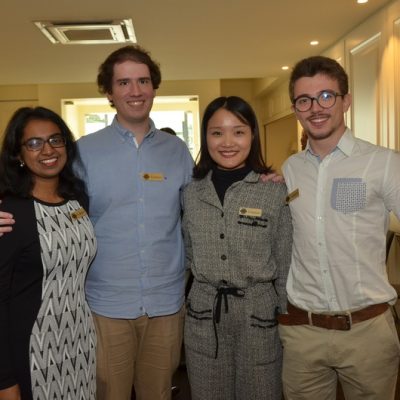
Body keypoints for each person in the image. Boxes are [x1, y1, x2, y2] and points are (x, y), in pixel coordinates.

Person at [278, 55, 400, 399]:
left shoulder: (383, 163)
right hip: (302, 333)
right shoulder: (290, 170)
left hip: (367, 332)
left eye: (326, 96)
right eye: (304, 100)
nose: (315, 108)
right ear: (296, 109)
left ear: (346, 101)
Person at [182, 96, 293, 400]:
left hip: (259, 314)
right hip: (204, 314)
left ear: (253, 135)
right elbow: (187, 253)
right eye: (217, 132)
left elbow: (284, 261)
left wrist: (286, 319)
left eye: (239, 132)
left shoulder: (273, 190)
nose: (227, 142)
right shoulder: (190, 192)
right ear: (205, 137)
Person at [0, 107, 97, 400]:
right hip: (33, 347)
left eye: (55, 139)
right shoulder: (9, 212)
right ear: (18, 154)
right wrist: (5, 381)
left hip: (81, 340)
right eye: (34, 143)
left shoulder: (77, 198)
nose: (48, 150)